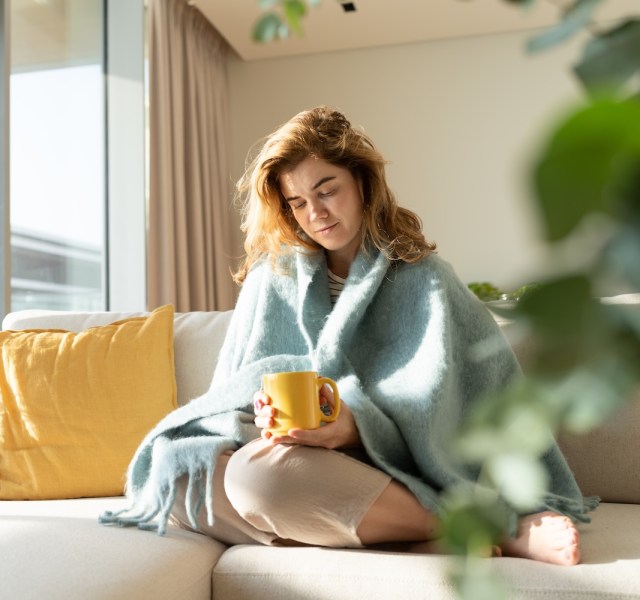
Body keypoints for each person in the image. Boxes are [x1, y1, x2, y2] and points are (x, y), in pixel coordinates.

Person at [100, 106, 597, 566]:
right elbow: (231, 398)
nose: (314, 212)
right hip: (298, 460)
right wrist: (266, 418)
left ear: (362, 181)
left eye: (326, 189)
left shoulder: (424, 278)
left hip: (373, 471)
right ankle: (433, 533)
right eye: (296, 201)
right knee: (181, 474)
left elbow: (450, 398)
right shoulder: (269, 280)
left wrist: (353, 425)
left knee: (261, 481)